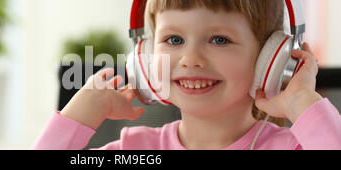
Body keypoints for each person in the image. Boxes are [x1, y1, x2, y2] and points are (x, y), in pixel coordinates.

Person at [32, 0, 341, 150]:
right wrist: (80, 115)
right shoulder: (136, 149)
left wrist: (301, 100)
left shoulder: (290, 147)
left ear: (270, 60)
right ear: (147, 60)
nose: (191, 59)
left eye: (219, 39)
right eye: (174, 40)